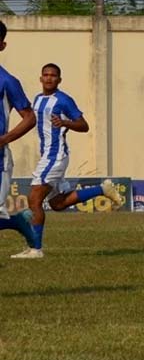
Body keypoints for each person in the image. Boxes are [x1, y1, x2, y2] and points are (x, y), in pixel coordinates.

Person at [11, 63, 123, 259]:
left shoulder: (63, 100)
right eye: (45, 75)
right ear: (40, 78)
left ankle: (35, 249)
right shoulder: (37, 99)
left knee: (34, 199)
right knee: (57, 203)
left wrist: (65, 123)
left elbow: (84, 125)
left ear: (59, 80)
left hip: (55, 155)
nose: (49, 78)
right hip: (48, 154)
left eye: (53, 75)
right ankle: (102, 189)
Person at [0, 21, 39, 253]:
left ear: (2, 46)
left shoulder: (7, 81)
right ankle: (18, 222)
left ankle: (18, 223)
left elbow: (29, 117)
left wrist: (4, 139)